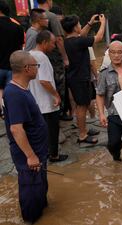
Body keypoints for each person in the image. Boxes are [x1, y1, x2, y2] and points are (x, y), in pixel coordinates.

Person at [3, 50, 49, 223]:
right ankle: (31, 219)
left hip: (37, 151)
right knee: (31, 191)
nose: (37, 69)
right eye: (36, 66)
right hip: (29, 155)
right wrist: (30, 156)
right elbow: (16, 129)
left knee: (40, 190)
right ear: (27, 68)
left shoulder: (21, 89)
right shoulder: (14, 93)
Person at [61, 14, 106, 144]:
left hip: (76, 78)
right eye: (79, 24)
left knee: (84, 104)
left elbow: (81, 35)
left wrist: (90, 23)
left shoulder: (69, 41)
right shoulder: (78, 42)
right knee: (81, 107)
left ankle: (84, 129)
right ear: (75, 28)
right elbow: (99, 37)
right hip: (80, 79)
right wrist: (103, 23)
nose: (81, 26)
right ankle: (82, 135)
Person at [29, 30, 68, 163]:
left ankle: (42, 154)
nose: (54, 46)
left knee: (40, 132)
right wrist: (56, 95)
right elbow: (44, 81)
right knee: (52, 131)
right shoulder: (42, 58)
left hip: (35, 101)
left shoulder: (28, 55)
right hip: (47, 103)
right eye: (52, 43)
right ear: (44, 42)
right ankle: (54, 155)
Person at [96, 41, 122, 162]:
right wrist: (102, 113)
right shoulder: (104, 73)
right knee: (113, 143)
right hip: (114, 114)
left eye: (119, 52)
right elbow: (99, 94)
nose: (116, 55)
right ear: (108, 54)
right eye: (113, 52)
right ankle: (116, 158)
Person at [37, 0, 71, 121]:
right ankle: (60, 112)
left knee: (43, 82)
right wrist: (65, 58)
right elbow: (59, 39)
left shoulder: (32, 15)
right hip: (54, 57)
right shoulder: (51, 16)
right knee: (58, 82)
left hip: (38, 55)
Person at [0, 0, 24, 119]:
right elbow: (20, 46)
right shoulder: (17, 27)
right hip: (13, 66)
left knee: (0, 90)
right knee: (12, 91)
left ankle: (3, 111)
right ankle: (11, 111)